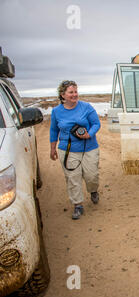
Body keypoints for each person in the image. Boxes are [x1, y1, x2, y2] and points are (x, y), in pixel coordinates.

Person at [50, 80, 101, 220]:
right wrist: (52, 149)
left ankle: (93, 190)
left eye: (76, 91)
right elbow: (54, 130)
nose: (74, 94)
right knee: (73, 178)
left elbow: (96, 123)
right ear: (63, 95)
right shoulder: (56, 111)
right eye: (71, 92)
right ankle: (78, 205)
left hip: (89, 147)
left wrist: (89, 134)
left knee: (92, 175)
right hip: (68, 150)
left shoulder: (86, 107)